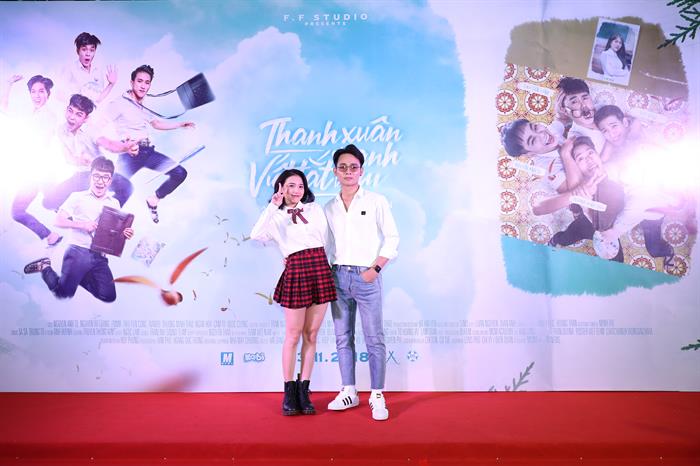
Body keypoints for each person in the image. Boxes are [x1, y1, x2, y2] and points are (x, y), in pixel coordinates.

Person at [250, 169, 336, 416]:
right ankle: (288, 391)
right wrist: (272, 206)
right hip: (297, 270)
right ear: (281, 187)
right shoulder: (275, 216)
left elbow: (327, 241)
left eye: (300, 186)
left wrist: (327, 265)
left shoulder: (314, 209)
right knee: (293, 334)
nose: (296, 190)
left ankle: (304, 390)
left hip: (319, 267)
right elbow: (256, 235)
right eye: (290, 185)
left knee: (311, 334)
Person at [324, 144, 399, 421]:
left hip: (367, 277)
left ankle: (377, 395)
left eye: (353, 167)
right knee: (343, 337)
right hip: (337, 276)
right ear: (335, 172)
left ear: (361, 171)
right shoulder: (329, 207)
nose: (348, 172)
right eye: (342, 167)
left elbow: (392, 237)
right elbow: (326, 245)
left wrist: (375, 269)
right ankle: (349, 391)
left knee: (374, 338)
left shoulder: (376, 201)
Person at [23, 156, 134, 302]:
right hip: (78, 252)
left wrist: (124, 234)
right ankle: (45, 267)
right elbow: (58, 220)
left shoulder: (114, 203)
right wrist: (82, 225)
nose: (100, 181)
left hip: (100, 257)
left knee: (108, 296)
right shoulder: (77, 197)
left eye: (105, 177)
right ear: (90, 176)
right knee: (62, 294)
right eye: (96, 176)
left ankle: (76, 277)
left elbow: (113, 232)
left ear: (110, 180)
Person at [106, 65, 194, 223]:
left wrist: (180, 125)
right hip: (129, 155)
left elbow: (156, 123)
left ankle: (153, 200)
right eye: (139, 81)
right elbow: (102, 123)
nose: (143, 86)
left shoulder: (143, 105)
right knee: (111, 188)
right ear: (132, 82)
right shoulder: (118, 103)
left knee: (180, 173)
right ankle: (99, 220)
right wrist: (122, 143)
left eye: (147, 82)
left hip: (148, 153)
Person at [43, 94, 135, 210]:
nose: (72, 117)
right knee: (48, 203)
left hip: (100, 172)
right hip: (80, 176)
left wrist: (125, 147)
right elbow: (68, 157)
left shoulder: (90, 131)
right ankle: (72, 214)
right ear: (66, 109)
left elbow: (108, 144)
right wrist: (79, 160)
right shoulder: (61, 130)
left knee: (127, 188)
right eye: (70, 111)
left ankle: (106, 213)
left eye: (78, 114)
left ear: (85, 119)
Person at [3, 74, 62, 246]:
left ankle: (90, 227)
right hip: (32, 171)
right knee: (18, 211)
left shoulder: (49, 116)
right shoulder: (28, 113)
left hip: (41, 170)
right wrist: (8, 84)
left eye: (41, 91)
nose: (37, 95)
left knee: (56, 203)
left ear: (48, 94)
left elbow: (41, 141)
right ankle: (50, 236)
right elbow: (3, 107)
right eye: (33, 91)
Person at [59, 32, 117, 105]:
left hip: (91, 111)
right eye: (84, 49)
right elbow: (60, 96)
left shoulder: (98, 72)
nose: (88, 54)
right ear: (78, 51)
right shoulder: (69, 69)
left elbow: (97, 99)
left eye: (92, 50)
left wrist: (111, 84)